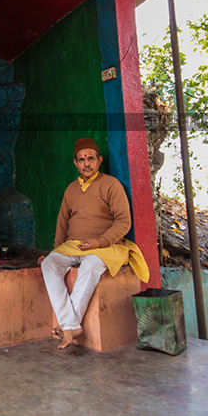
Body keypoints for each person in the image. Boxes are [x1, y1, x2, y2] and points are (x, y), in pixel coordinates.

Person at [39, 137, 149, 349]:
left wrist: (99, 242)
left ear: (99, 161)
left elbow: (124, 221)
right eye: (81, 159)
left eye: (90, 159)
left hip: (107, 246)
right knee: (49, 264)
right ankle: (70, 324)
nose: (86, 163)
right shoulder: (71, 189)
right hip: (74, 245)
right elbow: (62, 223)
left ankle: (69, 326)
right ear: (75, 163)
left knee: (89, 265)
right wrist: (55, 250)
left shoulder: (111, 185)